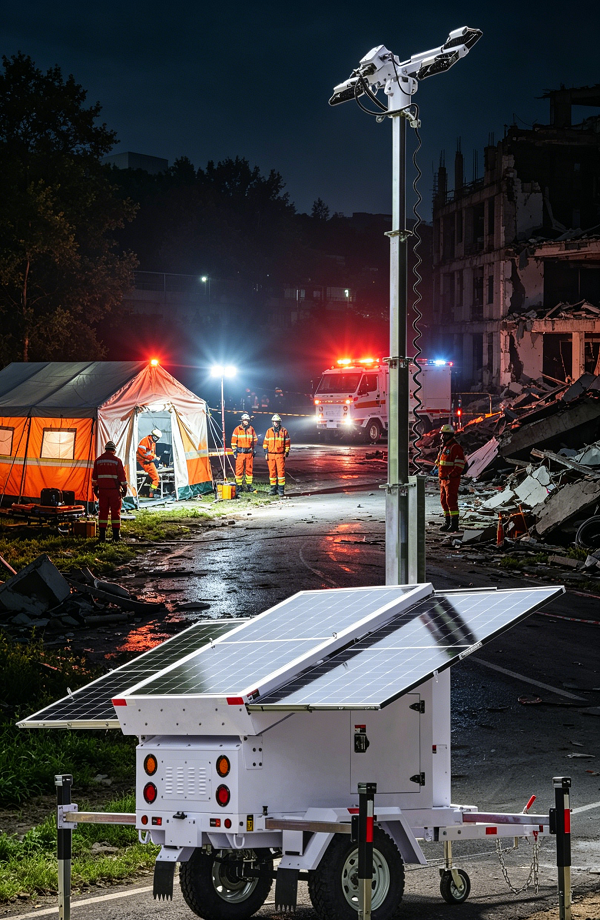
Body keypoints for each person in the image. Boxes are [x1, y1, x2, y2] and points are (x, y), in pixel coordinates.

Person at [92, 440, 128, 542]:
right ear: (114, 450)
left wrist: (96, 490)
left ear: (106, 449)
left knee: (103, 513)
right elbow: (122, 478)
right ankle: (116, 536)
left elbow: (94, 478)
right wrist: (125, 490)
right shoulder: (117, 461)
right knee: (115, 513)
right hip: (114, 491)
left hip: (102, 491)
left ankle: (102, 536)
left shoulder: (98, 461)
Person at [435, 424, 467, 532]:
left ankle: (454, 524)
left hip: (451, 479)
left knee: (451, 501)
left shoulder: (455, 447)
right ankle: (447, 522)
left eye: (444, 434)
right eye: (442, 434)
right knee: (444, 501)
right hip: (443, 479)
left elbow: (460, 465)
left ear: (449, 435)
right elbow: (441, 462)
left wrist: (451, 475)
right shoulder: (444, 447)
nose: (442, 437)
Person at [263, 413, 290, 497]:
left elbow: (287, 442)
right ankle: (273, 489)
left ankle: (281, 490)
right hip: (271, 455)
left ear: (279, 422)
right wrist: (266, 452)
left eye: (277, 421)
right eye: (274, 422)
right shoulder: (269, 431)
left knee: (281, 472)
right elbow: (265, 443)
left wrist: (286, 451)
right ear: (272, 422)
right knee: (272, 472)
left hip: (280, 455)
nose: (276, 423)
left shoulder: (284, 431)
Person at [231, 413, 258, 493]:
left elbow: (255, 440)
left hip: (249, 453)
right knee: (239, 470)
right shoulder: (237, 429)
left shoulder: (251, 429)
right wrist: (234, 451)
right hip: (240, 453)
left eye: (247, 420)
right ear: (242, 420)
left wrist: (252, 449)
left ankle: (249, 486)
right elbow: (233, 441)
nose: (246, 422)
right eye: (244, 420)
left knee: (249, 470)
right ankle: (239, 487)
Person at [137, 428, 162, 497]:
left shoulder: (152, 442)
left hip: (148, 461)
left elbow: (151, 453)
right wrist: (152, 458)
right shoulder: (145, 441)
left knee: (153, 478)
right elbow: (142, 453)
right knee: (156, 478)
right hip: (145, 462)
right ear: (154, 436)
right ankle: (151, 494)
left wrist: (155, 458)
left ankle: (150, 493)